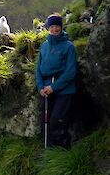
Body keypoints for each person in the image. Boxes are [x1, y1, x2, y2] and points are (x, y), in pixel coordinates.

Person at [36, 13, 77, 149]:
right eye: (52, 26)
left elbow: (71, 71)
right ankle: (49, 152)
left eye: (57, 26)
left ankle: (62, 151)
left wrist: (53, 87)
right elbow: (38, 69)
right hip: (46, 89)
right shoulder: (44, 46)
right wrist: (40, 87)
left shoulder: (69, 47)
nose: (54, 29)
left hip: (64, 90)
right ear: (48, 28)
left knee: (56, 120)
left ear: (61, 27)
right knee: (45, 121)